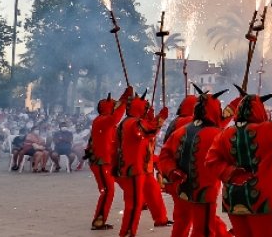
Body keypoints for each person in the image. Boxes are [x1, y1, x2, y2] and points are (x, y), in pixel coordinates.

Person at [207, 89, 272, 237]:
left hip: (233, 200)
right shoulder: (269, 129)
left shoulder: (224, 134)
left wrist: (230, 173)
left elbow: (211, 161)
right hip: (263, 200)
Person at [158, 87, 231, 237]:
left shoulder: (180, 130)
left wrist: (172, 171)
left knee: (181, 224)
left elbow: (164, 155)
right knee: (203, 230)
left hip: (181, 188)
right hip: (204, 192)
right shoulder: (218, 135)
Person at [114, 91, 170, 237]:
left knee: (154, 192)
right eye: (145, 109)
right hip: (134, 169)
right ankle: (127, 232)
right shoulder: (132, 123)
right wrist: (160, 119)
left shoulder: (131, 122)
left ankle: (161, 219)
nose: (146, 111)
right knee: (134, 203)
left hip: (143, 168)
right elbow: (149, 131)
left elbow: (148, 133)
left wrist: (153, 118)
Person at [86, 87, 132, 230]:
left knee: (119, 186)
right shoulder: (103, 120)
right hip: (101, 162)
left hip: (107, 161)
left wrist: (125, 96)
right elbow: (116, 116)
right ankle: (98, 221)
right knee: (107, 191)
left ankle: (138, 203)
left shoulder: (103, 120)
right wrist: (125, 100)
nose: (115, 105)